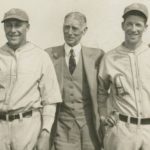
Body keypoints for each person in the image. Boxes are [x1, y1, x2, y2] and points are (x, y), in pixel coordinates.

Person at [0, 8, 62, 150]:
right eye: (8, 25)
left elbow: (50, 100)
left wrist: (45, 133)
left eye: (18, 25)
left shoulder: (40, 56)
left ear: (27, 27)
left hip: (28, 126)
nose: (13, 30)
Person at [46, 12, 104, 150]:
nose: (69, 32)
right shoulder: (49, 55)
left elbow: (105, 91)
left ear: (84, 30)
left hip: (90, 128)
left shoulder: (97, 56)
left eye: (75, 28)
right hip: (62, 128)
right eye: (66, 27)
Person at [98, 3, 150, 150]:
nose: (133, 29)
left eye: (138, 25)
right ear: (123, 26)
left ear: (145, 27)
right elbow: (101, 93)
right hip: (123, 131)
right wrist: (103, 117)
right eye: (129, 24)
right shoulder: (110, 58)